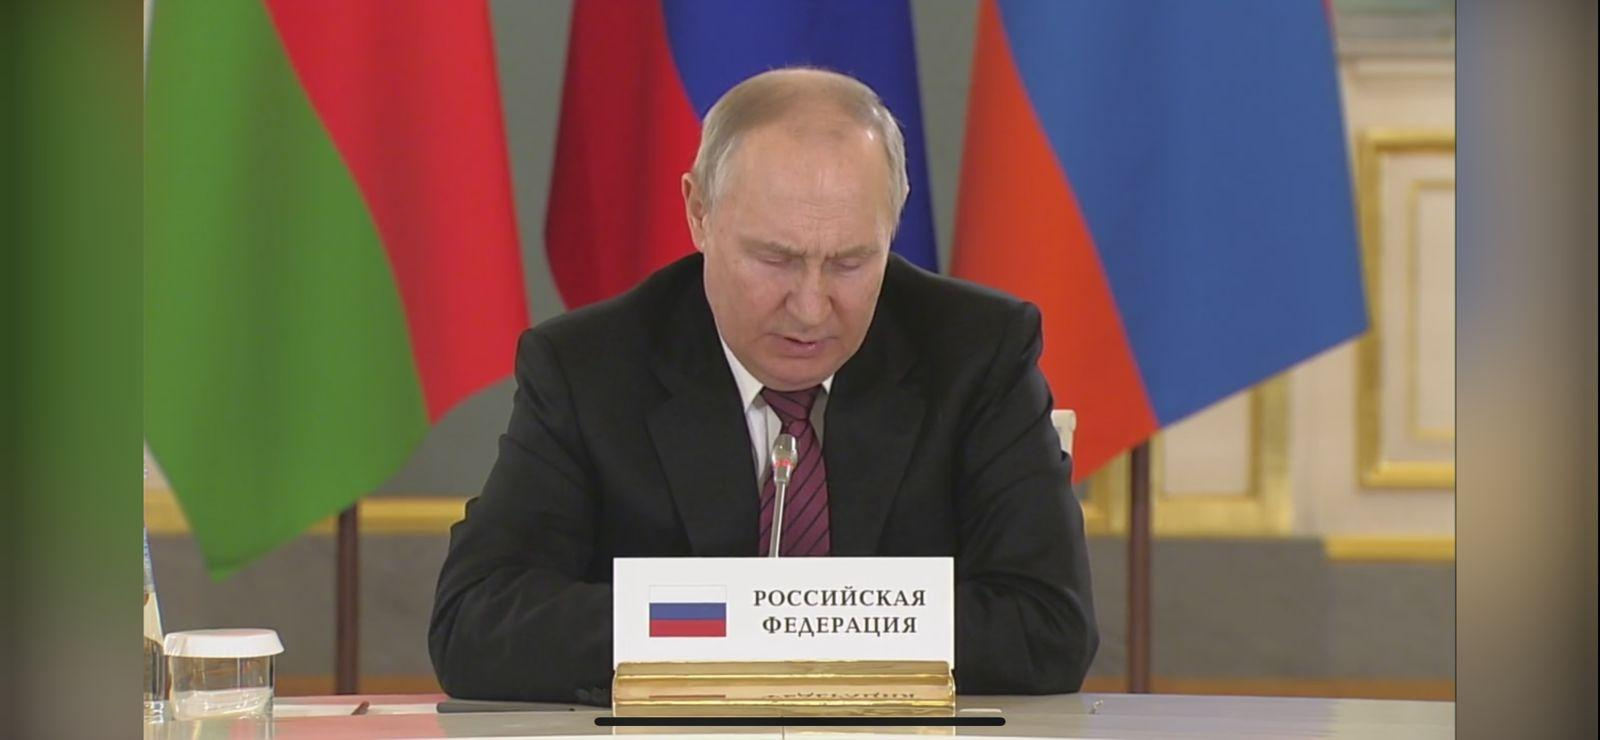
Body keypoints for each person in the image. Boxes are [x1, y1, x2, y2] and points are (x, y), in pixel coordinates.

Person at [429, 67, 1097, 705]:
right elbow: (476, 619)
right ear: (699, 212)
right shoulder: (591, 368)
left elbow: (1050, 627)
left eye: (850, 262)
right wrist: (759, 623)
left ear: (894, 220)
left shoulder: (978, 353)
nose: (809, 307)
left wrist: (759, 625)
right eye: (775, 259)